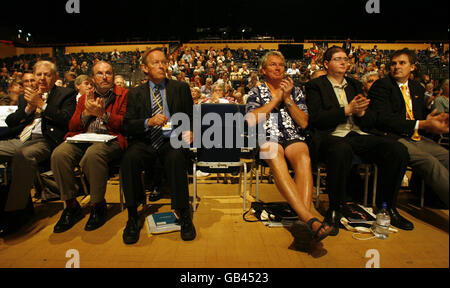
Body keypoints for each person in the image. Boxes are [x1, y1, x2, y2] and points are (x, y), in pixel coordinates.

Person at [306, 46, 412, 234]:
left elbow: (370, 120)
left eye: (345, 59)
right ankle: (335, 209)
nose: (343, 62)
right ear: (326, 64)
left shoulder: (355, 84)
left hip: (357, 134)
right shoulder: (316, 85)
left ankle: (386, 208)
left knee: (397, 150)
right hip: (330, 136)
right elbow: (316, 118)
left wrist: (362, 113)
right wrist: (347, 110)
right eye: (338, 59)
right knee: (341, 149)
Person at [246, 51, 333, 242]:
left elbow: (303, 123)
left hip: (293, 136)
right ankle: (310, 218)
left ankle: (305, 222)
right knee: (276, 157)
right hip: (268, 137)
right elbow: (251, 121)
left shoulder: (296, 91)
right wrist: (275, 100)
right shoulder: (256, 92)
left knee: (304, 156)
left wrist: (287, 99)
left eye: (281, 65)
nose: (278, 68)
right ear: (263, 70)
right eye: (273, 65)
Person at [120, 48, 195, 244]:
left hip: (171, 140)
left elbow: (192, 116)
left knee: (177, 157)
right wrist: (148, 122)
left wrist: (192, 130)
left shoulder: (180, 88)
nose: (162, 65)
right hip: (145, 141)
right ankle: (133, 214)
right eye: (156, 62)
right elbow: (128, 124)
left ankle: (183, 212)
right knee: (129, 159)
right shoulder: (135, 93)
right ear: (145, 68)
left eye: (164, 61)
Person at [0, 60, 76, 236]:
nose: (42, 78)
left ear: (55, 77)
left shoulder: (66, 94)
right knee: (20, 152)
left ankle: (15, 213)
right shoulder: (25, 96)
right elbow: (10, 122)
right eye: (39, 75)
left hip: (46, 141)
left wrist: (42, 105)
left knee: (23, 155)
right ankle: (21, 204)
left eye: (47, 75)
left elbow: (67, 120)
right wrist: (28, 107)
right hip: (20, 139)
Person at [50, 61, 128, 233]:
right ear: (93, 78)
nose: (105, 76)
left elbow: (125, 124)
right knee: (59, 154)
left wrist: (104, 115)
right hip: (83, 138)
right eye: (100, 73)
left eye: (108, 73)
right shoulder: (85, 97)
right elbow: (72, 126)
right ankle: (71, 205)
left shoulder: (123, 95)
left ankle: (97, 204)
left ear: (113, 76)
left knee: (93, 155)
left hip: (111, 139)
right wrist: (86, 113)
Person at [368, 49, 449, 207]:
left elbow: (420, 116)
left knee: (446, 156)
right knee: (429, 162)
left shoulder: (417, 87)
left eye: (402, 63)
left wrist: (432, 122)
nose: (396, 67)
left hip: (414, 136)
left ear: (412, 67)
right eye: (393, 63)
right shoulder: (381, 86)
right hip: (391, 137)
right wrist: (423, 123)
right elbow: (385, 120)